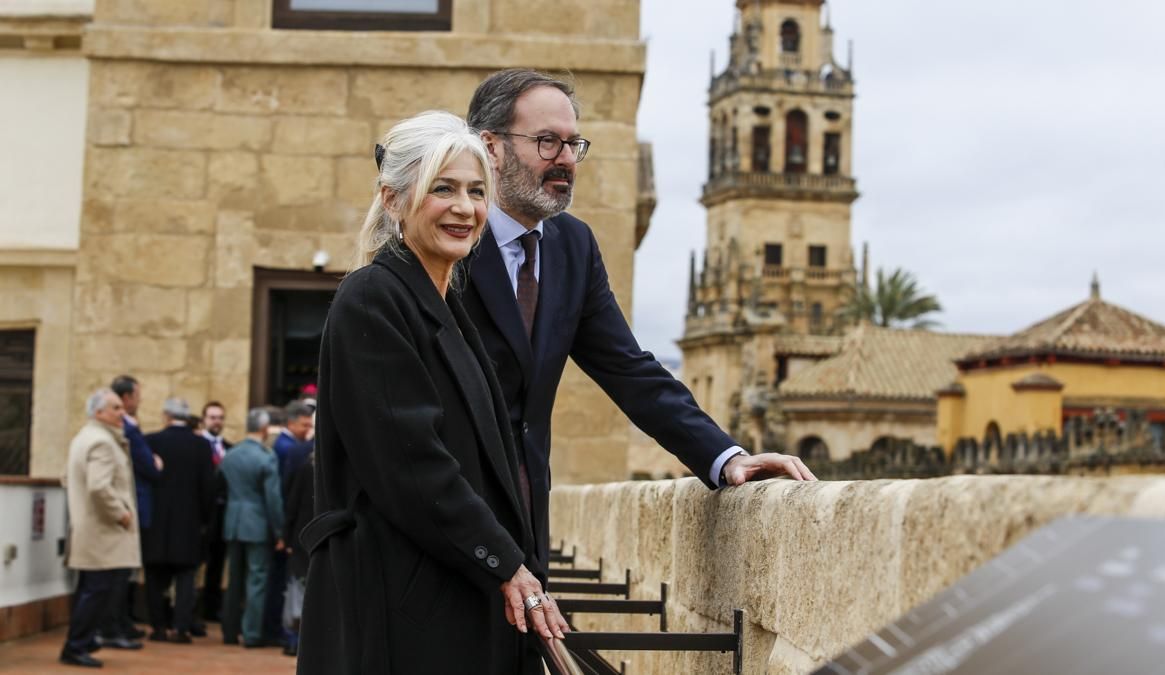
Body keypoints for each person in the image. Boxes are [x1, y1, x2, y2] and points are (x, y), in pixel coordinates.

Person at [463, 69, 819, 572]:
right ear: (491, 148)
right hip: (439, 534)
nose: (565, 159)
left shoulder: (572, 245)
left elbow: (630, 371)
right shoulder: (449, 237)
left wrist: (725, 457)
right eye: (546, 142)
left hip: (524, 532)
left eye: (572, 144)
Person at [298, 111, 567, 675]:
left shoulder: (444, 302)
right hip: (402, 608)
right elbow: (412, 465)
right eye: (441, 189)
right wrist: (507, 565)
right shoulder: (373, 297)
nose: (464, 208)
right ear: (394, 200)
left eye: (475, 191)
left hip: (446, 595)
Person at [59, 389, 142, 668]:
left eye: (122, 407)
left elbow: (68, 478)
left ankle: (83, 640)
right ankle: (76, 645)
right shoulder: (102, 442)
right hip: (102, 530)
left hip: (90, 527)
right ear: (99, 413)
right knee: (97, 591)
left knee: (89, 589)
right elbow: (99, 486)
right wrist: (122, 515)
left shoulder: (84, 437)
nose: (122, 412)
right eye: (115, 408)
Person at [141, 398, 215, 643]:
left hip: (156, 521)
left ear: (165, 416)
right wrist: (206, 519)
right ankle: (181, 628)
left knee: (154, 576)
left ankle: (158, 627)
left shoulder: (151, 441)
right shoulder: (201, 446)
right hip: (189, 521)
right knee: (186, 577)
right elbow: (207, 487)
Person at [97, 374, 157, 649]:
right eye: (118, 407)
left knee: (126, 571)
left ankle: (120, 621)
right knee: (118, 572)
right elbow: (146, 465)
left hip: (130, 507)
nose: (137, 401)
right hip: (124, 510)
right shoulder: (122, 433)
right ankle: (112, 626)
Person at [218, 407, 285, 649]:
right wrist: (280, 531)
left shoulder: (231, 454)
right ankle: (252, 633)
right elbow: (273, 499)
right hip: (257, 522)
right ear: (265, 428)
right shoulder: (266, 457)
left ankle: (228, 631)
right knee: (257, 579)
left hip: (233, 520)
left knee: (234, 578)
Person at [266, 399, 313, 651]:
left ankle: (289, 634)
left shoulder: (296, 449)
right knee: (292, 585)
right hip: (295, 528)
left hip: (294, 527)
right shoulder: (293, 449)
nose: (306, 430)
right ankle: (288, 634)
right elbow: (286, 494)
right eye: (303, 424)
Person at [198, 401, 230, 623]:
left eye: (220, 417)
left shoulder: (230, 447)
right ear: (203, 419)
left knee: (218, 562)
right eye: (212, 417)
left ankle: (211, 608)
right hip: (201, 513)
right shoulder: (197, 445)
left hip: (224, 513)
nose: (216, 421)